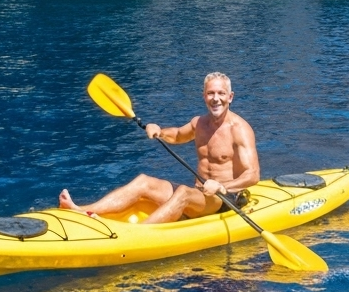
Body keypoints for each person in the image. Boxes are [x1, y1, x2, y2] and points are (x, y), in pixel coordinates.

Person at [59, 72, 260, 223]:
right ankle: (82, 210)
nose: (216, 98)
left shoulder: (240, 130)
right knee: (143, 181)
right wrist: (159, 130)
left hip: (225, 198)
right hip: (200, 193)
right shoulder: (199, 123)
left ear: (230, 97)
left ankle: (140, 234)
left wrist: (222, 186)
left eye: (221, 93)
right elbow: (179, 135)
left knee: (182, 192)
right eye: (210, 93)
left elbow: (253, 175)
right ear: (204, 96)